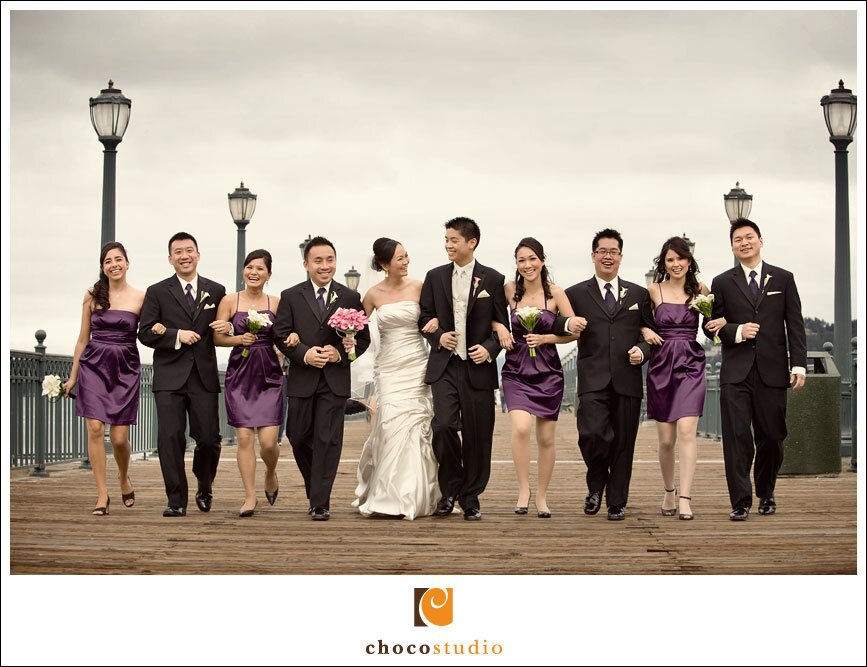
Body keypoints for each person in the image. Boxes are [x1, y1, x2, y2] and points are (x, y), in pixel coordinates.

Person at [707, 218, 806, 521]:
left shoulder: (783, 279)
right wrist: (737, 331)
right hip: (735, 372)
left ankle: (766, 491)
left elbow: (795, 325)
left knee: (772, 436)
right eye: (738, 239)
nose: (744, 243)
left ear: (761, 241)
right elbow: (711, 326)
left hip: (773, 370)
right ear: (732, 246)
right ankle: (740, 501)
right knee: (737, 437)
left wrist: (798, 364)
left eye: (749, 237)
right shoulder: (722, 282)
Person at [273, 236, 370, 521]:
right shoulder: (291, 295)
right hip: (302, 377)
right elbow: (280, 334)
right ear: (306, 264)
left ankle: (320, 502)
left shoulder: (350, 297)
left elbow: (361, 339)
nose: (324, 266)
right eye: (318, 260)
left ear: (335, 262)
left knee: (328, 440)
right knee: (298, 435)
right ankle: (315, 487)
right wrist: (304, 353)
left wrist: (339, 353)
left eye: (329, 260)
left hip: (334, 379)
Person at [418, 217, 509, 521]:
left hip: (478, 368)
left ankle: (471, 497)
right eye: (445, 239)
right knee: (443, 426)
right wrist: (437, 335)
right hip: (444, 365)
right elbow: (424, 319)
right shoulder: (434, 277)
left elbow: (501, 327)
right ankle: (450, 490)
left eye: (453, 240)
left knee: (478, 434)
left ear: (472, 243)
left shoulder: (493, 280)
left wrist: (490, 348)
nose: (448, 245)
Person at [564, 228, 654, 521]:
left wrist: (642, 351)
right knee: (591, 434)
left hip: (627, 379)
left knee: (624, 443)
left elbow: (652, 335)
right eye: (602, 251)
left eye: (613, 251)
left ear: (621, 257)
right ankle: (596, 483)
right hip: (592, 378)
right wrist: (567, 326)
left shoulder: (638, 294)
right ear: (593, 256)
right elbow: (559, 323)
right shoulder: (575, 293)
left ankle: (616, 502)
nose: (607, 256)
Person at [138, 232, 229, 517]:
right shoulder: (157, 292)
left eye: (189, 250)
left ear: (198, 255)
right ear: (170, 259)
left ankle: (205, 483)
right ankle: (176, 499)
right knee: (170, 437)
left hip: (203, 376)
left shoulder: (216, 290)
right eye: (178, 252)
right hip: (169, 377)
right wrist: (176, 335)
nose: (184, 255)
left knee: (209, 439)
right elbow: (144, 332)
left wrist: (231, 331)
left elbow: (223, 327)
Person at [352, 238, 440, 519]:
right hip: (388, 367)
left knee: (416, 427)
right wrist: (347, 339)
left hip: (416, 363)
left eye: (406, 256)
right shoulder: (372, 294)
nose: (406, 261)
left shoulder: (419, 287)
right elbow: (357, 330)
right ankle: (385, 493)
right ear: (384, 264)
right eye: (400, 258)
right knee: (390, 426)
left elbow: (434, 316)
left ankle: (415, 494)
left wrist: (436, 322)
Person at [642, 236, 724, 521]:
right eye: (670, 260)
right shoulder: (653, 291)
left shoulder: (701, 290)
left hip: (690, 362)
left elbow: (712, 330)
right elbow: (640, 323)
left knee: (688, 432)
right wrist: (644, 332)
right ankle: (669, 490)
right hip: (662, 364)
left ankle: (686, 498)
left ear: (689, 261)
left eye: (680, 258)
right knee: (666, 440)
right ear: (664, 264)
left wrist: (719, 323)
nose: (676, 264)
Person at [495, 238, 577, 518]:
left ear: (541, 260)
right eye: (521, 260)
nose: (527, 265)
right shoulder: (508, 291)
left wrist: (545, 337)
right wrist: (501, 329)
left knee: (546, 437)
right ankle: (523, 490)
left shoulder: (555, 294)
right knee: (520, 428)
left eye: (532, 259)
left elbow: (574, 331)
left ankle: (542, 496)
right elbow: (492, 315)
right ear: (516, 264)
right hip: (516, 368)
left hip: (548, 371)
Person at [64, 242, 143, 515]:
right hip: (94, 366)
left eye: (118, 259)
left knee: (120, 438)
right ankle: (101, 494)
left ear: (127, 263)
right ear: (103, 267)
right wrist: (73, 376)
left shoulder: (140, 297)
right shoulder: (92, 295)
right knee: (95, 428)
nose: (114, 264)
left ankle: (123, 477)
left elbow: (150, 334)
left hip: (125, 368)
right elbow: (82, 339)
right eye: (108, 261)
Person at [213, 249, 283, 518]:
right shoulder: (230, 301)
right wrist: (238, 340)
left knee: (267, 442)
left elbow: (283, 335)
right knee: (243, 437)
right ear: (243, 270)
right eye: (249, 267)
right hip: (240, 373)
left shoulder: (276, 303)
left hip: (269, 373)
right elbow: (217, 339)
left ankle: (271, 472)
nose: (254, 272)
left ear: (269, 274)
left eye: (260, 269)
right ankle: (250, 496)